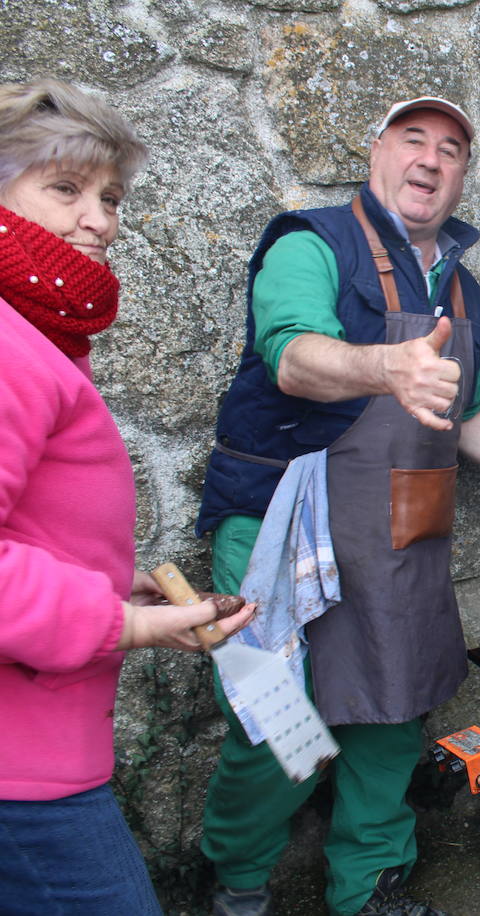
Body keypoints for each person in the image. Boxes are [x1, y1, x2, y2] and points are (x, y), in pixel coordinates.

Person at [195, 95, 480, 916]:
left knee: (394, 704)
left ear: (460, 179)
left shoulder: (463, 288)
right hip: (279, 519)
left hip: (398, 530)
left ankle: (369, 886)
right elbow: (292, 357)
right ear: (378, 152)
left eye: (450, 149)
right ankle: (236, 877)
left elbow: (463, 416)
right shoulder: (308, 242)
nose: (430, 159)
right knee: (280, 720)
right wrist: (389, 368)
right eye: (413, 139)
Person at [0, 79, 256, 915]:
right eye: (64, 189)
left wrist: (115, 592)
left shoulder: (42, 337)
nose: (98, 221)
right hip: (19, 770)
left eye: (109, 197)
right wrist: (124, 623)